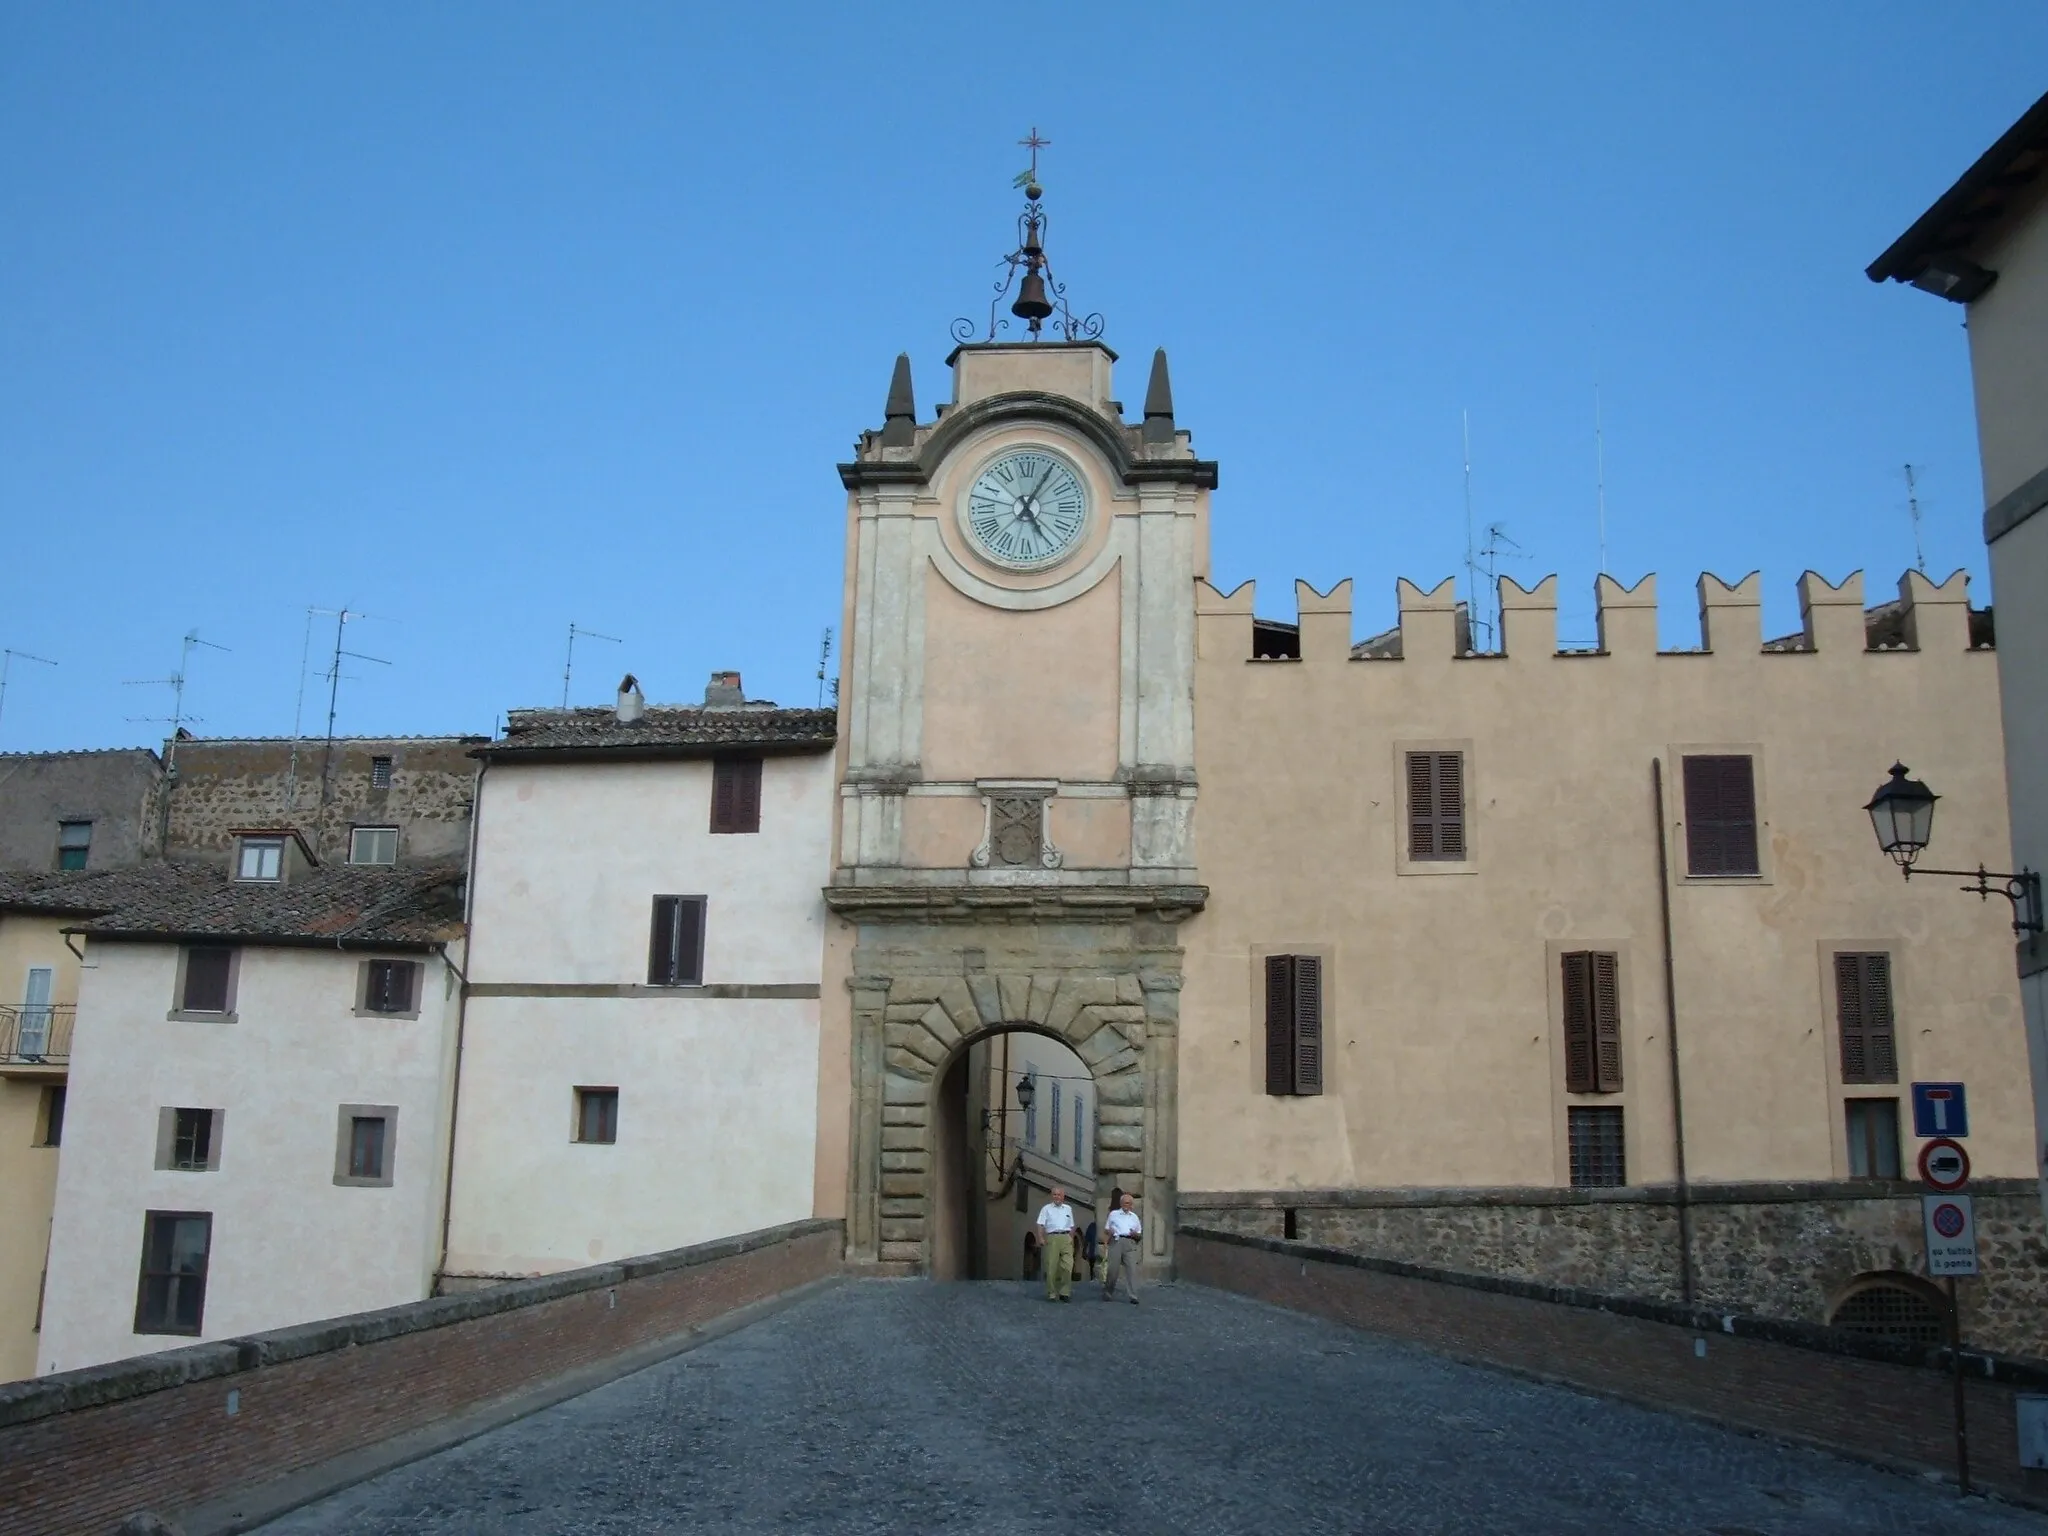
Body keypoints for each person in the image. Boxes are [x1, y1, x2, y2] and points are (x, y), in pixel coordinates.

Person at [1034, 1184, 1078, 1301]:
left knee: (1068, 1266)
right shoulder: (1046, 1209)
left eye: (1059, 1194)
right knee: (1051, 1266)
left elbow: (1072, 1225)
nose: (1057, 1197)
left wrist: (1071, 1238)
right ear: (1051, 1195)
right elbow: (1040, 1224)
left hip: (1065, 1237)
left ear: (1063, 1196)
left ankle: (1065, 1292)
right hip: (1052, 1237)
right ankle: (1052, 1292)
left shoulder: (1068, 1209)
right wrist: (1041, 1238)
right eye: (1054, 1194)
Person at [1101, 1190, 1142, 1304]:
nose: (1126, 1205)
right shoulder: (1113, 1214)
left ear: (1131, 1205)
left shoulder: (1134, 1217)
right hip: (1116, 1241)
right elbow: (1106, 1229)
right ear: (1121, 1203)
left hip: (1130, 1242)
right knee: (1113, 1270)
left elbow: (1139, 1234)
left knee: (1132, 1270)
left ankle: (1133, 1296)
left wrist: (1135, 1234)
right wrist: (1110, 1231)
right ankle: (1108, 1292)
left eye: (1128, 1203)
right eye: (1124, 1203)